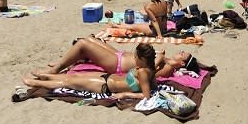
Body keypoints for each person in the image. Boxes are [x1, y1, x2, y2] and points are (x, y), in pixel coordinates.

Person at [23, 43, 158, 100]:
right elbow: (152, 86)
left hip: (104, 86)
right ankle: (45, 75)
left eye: (135, 57)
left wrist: (124, 95)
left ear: (142, 59)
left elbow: (146, 96)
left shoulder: (143, 73)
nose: (133, 59)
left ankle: (35, 83)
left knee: (68, 82)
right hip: (108, 77)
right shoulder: (149, 69)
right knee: (74, 75)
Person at [35, 36, 199, 78]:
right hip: (121, 55)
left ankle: (56, 70)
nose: (181, 51)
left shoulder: (169, 67)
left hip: (119, 64)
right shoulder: (168, 61)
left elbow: (149, 73)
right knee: (92, 39)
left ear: (183, 63)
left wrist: (160, 58)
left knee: (83, 44)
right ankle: (61, 63)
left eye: (183, 53)